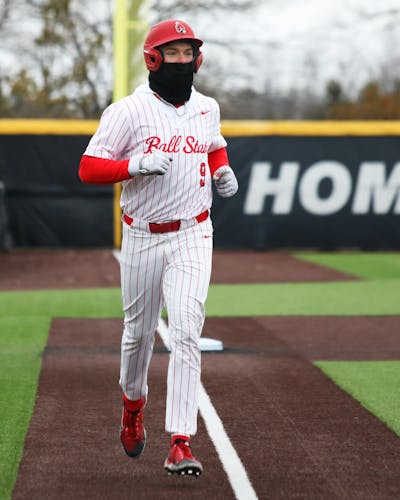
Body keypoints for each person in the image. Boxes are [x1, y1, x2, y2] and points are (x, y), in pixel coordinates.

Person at [79, 19, 238, 477]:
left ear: (198, 59)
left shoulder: (207, 107)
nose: (182, 61)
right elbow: (88, 168)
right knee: (138, 334)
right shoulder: (127, 111)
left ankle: (180, 442)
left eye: (189, 53)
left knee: (186, 329)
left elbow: (213, 145)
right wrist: (134, 165)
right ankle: (133, 407)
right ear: (153, 59)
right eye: (173, 53)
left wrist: (221, 169)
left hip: (194, 231)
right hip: (143, 234)